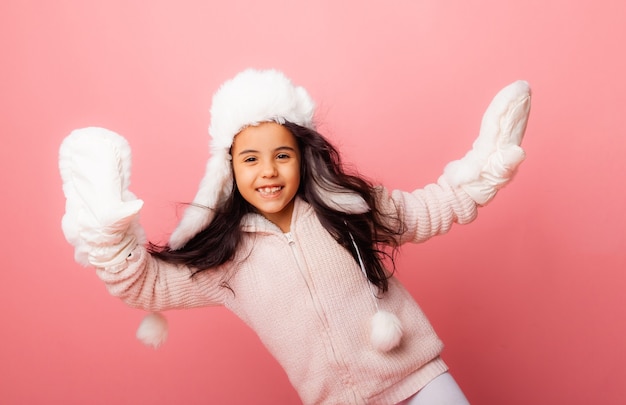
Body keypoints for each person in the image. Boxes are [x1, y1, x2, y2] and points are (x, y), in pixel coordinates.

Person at [58, 69, 531, 404]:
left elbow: (432, 208)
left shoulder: (349, 207)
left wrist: (484, 166)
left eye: (281, 155)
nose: (268, 171)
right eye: (250, 160)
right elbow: (147, 284)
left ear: (303, 156)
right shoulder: (228, 259)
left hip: (421, 380)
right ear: (228, 171)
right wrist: (107, 230)